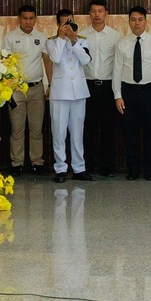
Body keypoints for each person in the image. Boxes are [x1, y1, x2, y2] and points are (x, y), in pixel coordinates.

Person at [113, 7, 151, 180]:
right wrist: (117, 95)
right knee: (130, 133)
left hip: (149, 91)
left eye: (140, 19)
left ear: (146, 21)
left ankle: (150, 171)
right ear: (129, 21)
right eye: (133, 19)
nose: (137, 23)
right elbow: (117, 70)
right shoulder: (122, 44)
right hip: (128, 92)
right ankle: (133, 170)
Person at [3, 4, 51, 173]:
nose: (28, 22)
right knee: (17, 129)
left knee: (36, 129)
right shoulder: (10, 37)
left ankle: (37, 163)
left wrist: (49, 85)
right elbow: (5, 63)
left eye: (31, 18)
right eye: (25, 18)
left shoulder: (42, 38)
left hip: (36, 89)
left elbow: (47, 62)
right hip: (16, 90)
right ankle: (17, 163)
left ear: (35, 19)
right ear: (19, 19)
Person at [45, 12, 92, 183]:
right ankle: (60, 168)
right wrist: (60, 37)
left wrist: (73, 40)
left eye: (70, 23)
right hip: (60, 93)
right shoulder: (51, 41)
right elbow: (56, 58)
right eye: (64, 23)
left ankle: (79, 168)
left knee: (77, 132)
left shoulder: (82, 41)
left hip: (78, 92)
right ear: (58, 25)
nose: (68, 27)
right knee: (59, 132)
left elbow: (85, 60)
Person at [78, 0, 121, 177]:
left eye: (100, 11)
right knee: (87, 127)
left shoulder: (115, 36)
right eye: (93, 11)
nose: (97, 15)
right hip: (86, 86)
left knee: (108, 128)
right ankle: (87, 166)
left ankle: (107, 167)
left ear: (106, 13)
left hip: (107, 86)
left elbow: (118, 64)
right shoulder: (81, 35)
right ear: (89, 14)